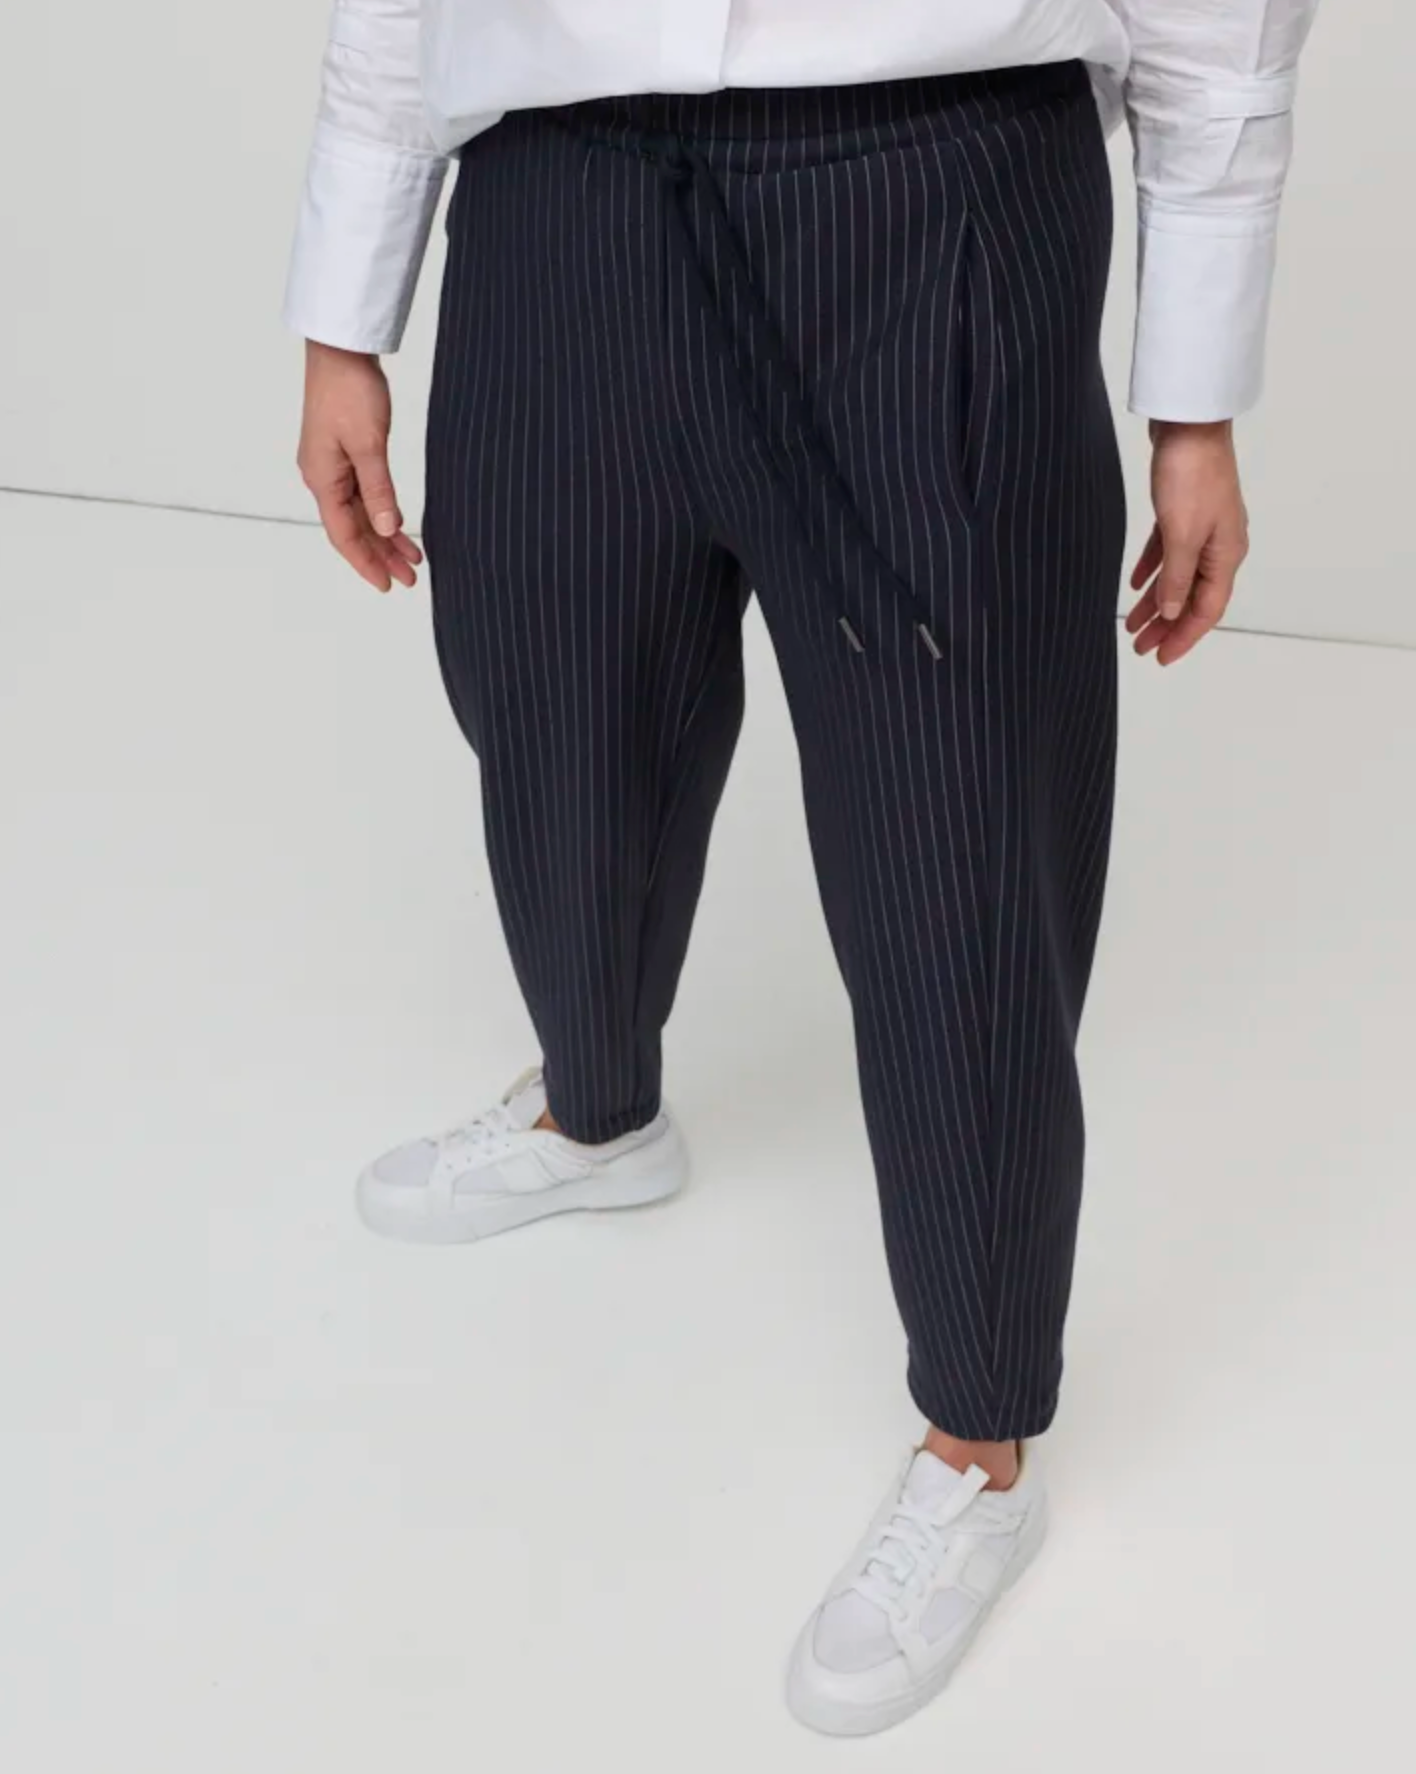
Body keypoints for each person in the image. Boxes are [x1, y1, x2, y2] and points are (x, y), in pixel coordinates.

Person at [285, 0, 1318, 1737]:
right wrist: (346, 305)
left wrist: (1195, 398)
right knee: (555, 714)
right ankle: (596, 1113)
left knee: (960, 835)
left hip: (928, 184)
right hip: (552, 188)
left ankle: (981, 1440)